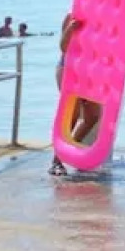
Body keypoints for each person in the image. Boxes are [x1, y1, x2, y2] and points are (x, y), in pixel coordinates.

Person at [49, 13, 99, 176]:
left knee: (92, 115)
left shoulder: (104, 18)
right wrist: (71, 29)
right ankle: (57, 161)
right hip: (69, 69)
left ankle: (69, 151)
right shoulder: (72, 16)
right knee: (72, 115)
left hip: (90, 72)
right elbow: (64, 48)